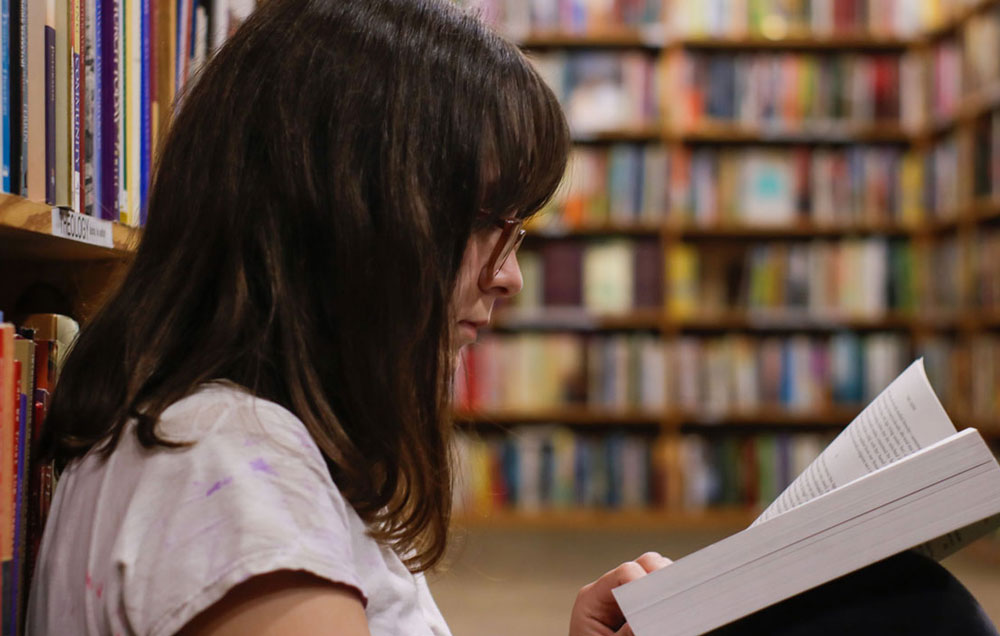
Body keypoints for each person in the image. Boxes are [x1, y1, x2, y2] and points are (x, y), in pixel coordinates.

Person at [23, 0, 1000, 635]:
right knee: (907, 617)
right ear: (358, 221)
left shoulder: (206, 431)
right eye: (489, 227)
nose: (512, 282)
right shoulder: (231, 482)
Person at [26, 0, 667, 634]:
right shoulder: (230, 467)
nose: (508, 276)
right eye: (480, 218)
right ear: (347, 211)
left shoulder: (227, 441)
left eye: (517, 230)